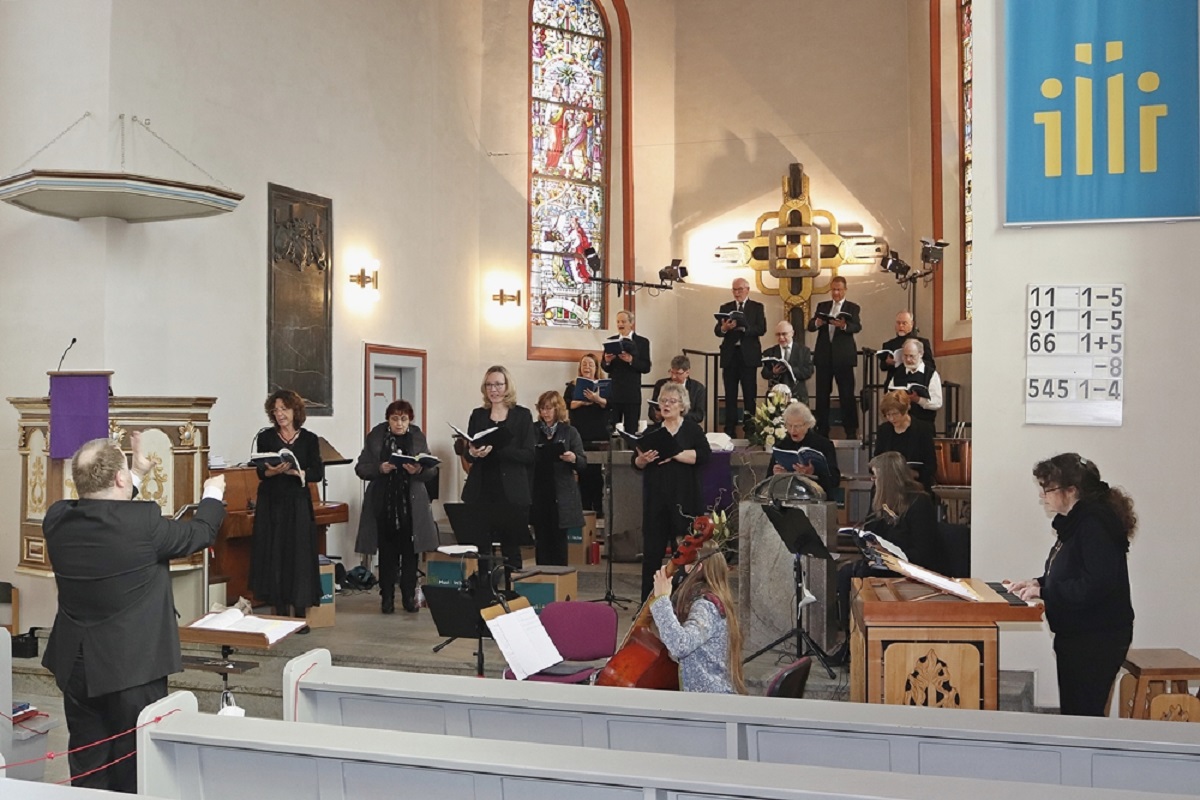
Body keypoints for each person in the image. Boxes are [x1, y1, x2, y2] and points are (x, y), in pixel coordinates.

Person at [42, 434, 227, 793]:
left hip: (77, 664)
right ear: (121, 480)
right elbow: (201, 532)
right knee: (137, 766)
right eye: (127, 471)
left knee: (88, 764)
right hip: (133, 668)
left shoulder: (57, 518)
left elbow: (109, 514)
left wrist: (137, 473)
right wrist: (212, 494)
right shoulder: (145, 525)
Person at [1008, 454, 1136, 717]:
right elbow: (1073, 571)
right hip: (1080, 634)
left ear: (1071, 491)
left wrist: (1044, 592)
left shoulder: (1094, 524)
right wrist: (1037, 582)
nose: (1043, 495)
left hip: (1097, 636)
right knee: (1075, 713)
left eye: (1048, 488)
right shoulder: (1077, 522)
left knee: (1083, 715)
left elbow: (1096, 584)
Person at [835, 451, 943, 648]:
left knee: (858, 574)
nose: (872, 480)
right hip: (884, 563)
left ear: (888, 478)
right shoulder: (879, 498)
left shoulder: (919, 502)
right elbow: (871, 532)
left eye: (875, 476)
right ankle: (851, 643)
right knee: (845, 574)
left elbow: (923, 551)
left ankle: (874, 643)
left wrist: (889, 550)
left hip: (909, 566)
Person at [354, 399, 440, 614]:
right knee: (387, 553)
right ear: (388, 419)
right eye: (395, 419)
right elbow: (361, 468)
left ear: (410, 420)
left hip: (411, 503)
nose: (399, 423)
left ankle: (409, 597)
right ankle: (387, 597)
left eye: (403, 419)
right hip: (384, 502)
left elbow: (432, 471)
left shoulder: (417, 437)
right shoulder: (375, 437)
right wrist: (380, 467)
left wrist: (418, 470)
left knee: (410, 553)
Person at [632, 381, 711, 601]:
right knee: (652, 556)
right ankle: (647, 605)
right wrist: (642, 459)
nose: (666, 405)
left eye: (671, 401)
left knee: (685, 557)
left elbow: (704, 456)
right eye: (663, 401)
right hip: (656, 502)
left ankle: (685, 601)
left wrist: (675, 454)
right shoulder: (652, 431)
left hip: (685, 501)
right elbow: (636, 463)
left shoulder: (692, 430)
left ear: (682, 405)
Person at [250, 388, 324, 618]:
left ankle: (300, 614)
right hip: (272, 502)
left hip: (298, 503)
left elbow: (317, 473)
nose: (280, 414)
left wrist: (295, 472)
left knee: (299, 555)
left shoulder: (310, 439)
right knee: (275, 554)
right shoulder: (265, 437)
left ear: (295, 410)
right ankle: (280, 612)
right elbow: (261, 472)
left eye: (284, 409)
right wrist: (273, 471)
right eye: (276, 410)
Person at [461, 365, 536, 570]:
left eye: (498, 384)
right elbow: (469, 450)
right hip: (482, 489)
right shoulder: (478, 415)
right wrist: (473, 453)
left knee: (511, 547)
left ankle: (513, 594)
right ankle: (485, 593)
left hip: (511, 491)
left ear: (507, 386)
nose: (493, 389)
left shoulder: (522, 415)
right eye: (489, 385)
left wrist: (498, 450)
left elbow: (529, 454)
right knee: (481, 548)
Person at [649, 547, 746, 694]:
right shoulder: (713, 598)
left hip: (709, 700)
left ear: (698, 567)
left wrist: (662, 600)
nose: (682, 569)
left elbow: (680, 645)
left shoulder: (705, 606)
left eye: (686, 564)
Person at [531, 390, 588, 566]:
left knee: (559, 543)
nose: (545, 412)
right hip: (539, 491)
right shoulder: (532, 430)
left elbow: (583, 462)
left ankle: (560, 581)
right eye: (542, 408)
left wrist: (573, 459)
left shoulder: (570, 432)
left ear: (558, 409)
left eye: (549, 408)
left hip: (561, 494)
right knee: (541, 541)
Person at [807, 275, 862, 439]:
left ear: (845, 290)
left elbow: (857, 326)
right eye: (833, 289)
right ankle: (822, 429)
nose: (836, 293)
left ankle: (850, 431)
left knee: (847, 394)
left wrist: (843, 325)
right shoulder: (822, 306)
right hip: (824, 356)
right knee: (822, 395)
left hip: (843, 357)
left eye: (839, 289)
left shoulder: (852, 307)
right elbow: (810, 326)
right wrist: (818, 323)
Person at [714, 277, 767, 436]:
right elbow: (717, 331)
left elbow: (761, 329)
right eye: (734, 290)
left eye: (740, 290)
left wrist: (745, 329)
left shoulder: (757, 307)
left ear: (747, 290)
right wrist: (724, 328)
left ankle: (750, 429)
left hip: (748, 356)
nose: (737, 293)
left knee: (749, 394)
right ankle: (729, 429)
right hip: (730, 355)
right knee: (730, 394)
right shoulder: (726, 307)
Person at [566, 352, 608, 516]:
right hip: (580, 434)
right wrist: (583, 401)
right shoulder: (572, 386)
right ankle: (584, 511)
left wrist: (597, 399)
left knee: (596, 475)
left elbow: (609, 405)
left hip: (597, 434)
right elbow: (567, 404)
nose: (587, 367)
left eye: (590, 364)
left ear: (596, 368)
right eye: (584, 364)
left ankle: (598, 509)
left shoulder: (603, 386)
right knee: (582, 473)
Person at [769, 402, 840, 497]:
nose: (793, 430)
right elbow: (768, 480)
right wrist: (778, 475)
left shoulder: (824, 445)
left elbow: (835, 480)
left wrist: (812, 473)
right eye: (789, 426)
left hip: (817, 500)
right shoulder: (781, 446)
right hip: (787, 500)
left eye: (797, 426)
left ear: (808, 424)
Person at [873, 389, 937, 493]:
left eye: (895, 414)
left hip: (915, 486)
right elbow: (876, 459)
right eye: (888, 415)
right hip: (889, 486)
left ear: (906, 409)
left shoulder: (923, 429)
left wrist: (911, 474)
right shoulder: (884, 430)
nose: (892, 418)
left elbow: (931, 466)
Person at [604, 309, 652, 433]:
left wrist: (631, 360)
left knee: (631, 429)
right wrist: (607, 360)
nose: (620, 324)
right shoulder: (611, 341)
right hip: (614, 392)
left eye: (623, 321)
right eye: (618, 322)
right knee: (612, 429)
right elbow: (605, 367)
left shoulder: (642, 342)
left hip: (632, 393)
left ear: (631, 323)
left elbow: (646, 367)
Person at [885, 339, 943, 428]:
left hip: (923, 425)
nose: (908, 359)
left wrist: (918, 399)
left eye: (912, 356)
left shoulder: (930, 374)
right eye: (905, 356)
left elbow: (937, 403)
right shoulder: (898, 373)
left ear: (921, 354)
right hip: (900, 426)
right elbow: (889, 396)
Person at [760, 320, 814, 402]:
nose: (781, 337)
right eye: (778, 334)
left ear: (792, 333)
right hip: (775, 395)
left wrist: (791, 369)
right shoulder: (770, 352)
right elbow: (764, 374)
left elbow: (809, 371)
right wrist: (773, 372)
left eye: (784, 334)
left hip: (797, 395)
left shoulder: (803, 351)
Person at [650, 354, 707, 427]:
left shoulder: (698, 388)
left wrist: (676, 414)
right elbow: (652, 411)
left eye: (677, 373)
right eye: (672, 372)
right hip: (663, 426)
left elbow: (699, 416)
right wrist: (657, 416)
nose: (673, 377)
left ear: (687, 373)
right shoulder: (661, 384)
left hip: (687, 427)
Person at [877, 310, 936, 375]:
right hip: (895, 380)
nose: (901, 326)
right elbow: (882, 367)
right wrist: (887, 362)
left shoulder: (922, 342)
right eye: (898, 323)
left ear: (911, 324)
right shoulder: (888, 344)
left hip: (916, 379)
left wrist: (917, 360)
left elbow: (931, 365)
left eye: (904, 323)